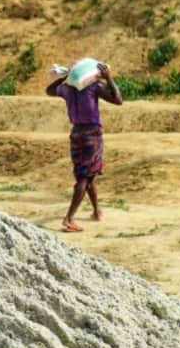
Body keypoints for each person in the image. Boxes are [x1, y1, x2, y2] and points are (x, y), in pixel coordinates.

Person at [46, 62, 123, 232]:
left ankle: (96, 211)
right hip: (92, 134)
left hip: (76, 134)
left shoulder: (67, 90)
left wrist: (66, 78)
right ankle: (69, 218)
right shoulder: (94, 87)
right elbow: (118, 100)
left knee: (88, 175)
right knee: (84, 178)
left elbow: (49, 90)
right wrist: (109, 78)